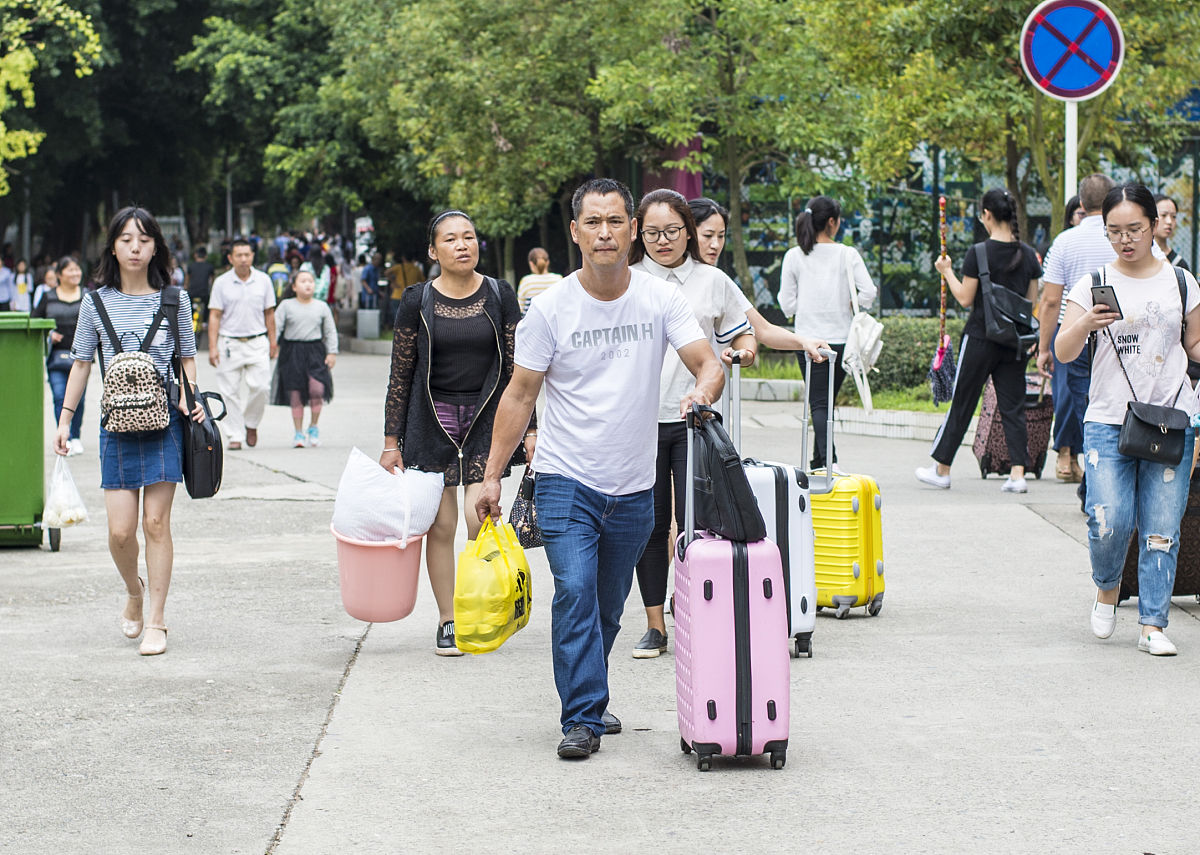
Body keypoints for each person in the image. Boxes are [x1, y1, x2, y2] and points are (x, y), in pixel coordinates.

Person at [475, 178, 724, 760]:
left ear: (632, 230)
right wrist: (490, 476)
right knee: (575, 590)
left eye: (615, 221)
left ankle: (589, 692)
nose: (605, 233)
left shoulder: (660, 299)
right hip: (565, 479)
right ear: (575, 232)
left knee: (608, 606)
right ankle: (582, 716)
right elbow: (519, 394)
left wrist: (702, 392)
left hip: (635, 486)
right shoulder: (550, 308)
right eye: (593, 222)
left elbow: (706, 363)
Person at [627, 189, 828, 658]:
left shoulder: (712, 280)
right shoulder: (627, 278)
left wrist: (746, 351)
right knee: (650, 524)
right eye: (653, 233)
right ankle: (655, 624)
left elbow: (745, 332)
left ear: (686, 232)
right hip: (638, 421)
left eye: (672, 231)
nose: (663, 240)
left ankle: (694, 611)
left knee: (698, 522)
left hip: (695, 418)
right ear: (639, 233)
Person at [51, 207, 205, 656]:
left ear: (156, 247)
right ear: (113, 247)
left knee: (156, 523)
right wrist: (65, 420)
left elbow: (187, 357)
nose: (135, 248)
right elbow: (81, 363)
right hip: (115, 425)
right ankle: (134, 592)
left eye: (144, 240)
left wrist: (189, 395)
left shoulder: (175, 300)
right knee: (120, 532)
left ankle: (157, 619)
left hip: (165, 422)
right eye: (126, 240)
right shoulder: (94, 303)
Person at [1054, 183, 1200, 657]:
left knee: (1162, 527)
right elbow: (1063, 350)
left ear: (1155, 225)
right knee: (1108, 521)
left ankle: (1153, 625)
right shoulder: (1093, 282)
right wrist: (1085, 324)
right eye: (1114, 231)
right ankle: (1107, 588)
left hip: (1172, 419)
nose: (1125, 240)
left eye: (1134, 229)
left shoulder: (1181, 281)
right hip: (1108, 419)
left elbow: (1194, 345)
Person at [382, 210, 531, 656]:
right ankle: (449, 620)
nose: (462, 245)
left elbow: (519, 369)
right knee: (441, 524)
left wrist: (530, 428)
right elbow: (401, 373)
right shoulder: (417, 300)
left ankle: (476, 609)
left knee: (477, 516)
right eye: (450, 239)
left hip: (486, 418)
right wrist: (391, 441)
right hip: (432, 421)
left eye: (469, 237)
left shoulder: (500, 294)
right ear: (433, 251)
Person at [915, 189, 1043, 492]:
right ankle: (1018, 475)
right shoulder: (1028, 254)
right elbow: (1031, 303)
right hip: (1014, 342)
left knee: (963, 401)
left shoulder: (979, 252)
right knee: (1013, 406)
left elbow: (964, 298)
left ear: (987, 214)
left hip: (980, 339)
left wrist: (946, 271)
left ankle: (942, 469)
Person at [777, 195, 878, 471]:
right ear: (832, 222)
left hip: (806, 341)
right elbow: (869, 293)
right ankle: (822, 462)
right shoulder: (847, 254)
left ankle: (827, 464)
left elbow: (786, 304)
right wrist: (852, 304)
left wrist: (805, 306)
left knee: (819, 403)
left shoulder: (794, 256)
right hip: (841, 341)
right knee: (823, 403)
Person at [1036, 174, 1117, 485]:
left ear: (1082, 203)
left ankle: (1084, 468)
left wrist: (1044, 347)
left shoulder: (1065, 241)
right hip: (1117, 333)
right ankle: (1098, 471)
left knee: (1074, 400)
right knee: (1113, 404)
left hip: (1073, 332)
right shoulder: (1122, 238)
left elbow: (1050, 300)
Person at [208, 237, 278, 450]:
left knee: (262, 387)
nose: (244, 259)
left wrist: (273, 341)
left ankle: (251, 423)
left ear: (252, 256)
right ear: (231, 258)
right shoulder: (221, 283)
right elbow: (215, 315)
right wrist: (212, 346)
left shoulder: (264, 280)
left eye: (247, 255)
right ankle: (235, 435)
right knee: (229, 392)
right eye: (239, 255)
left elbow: (269, 313)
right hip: (229, 343)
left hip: (257, 341)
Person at [272, 269, 337, 447]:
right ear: (294, 287)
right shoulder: (286, 305)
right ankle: (298, 433)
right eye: (303, 281)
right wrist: (272, 347)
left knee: (317, 390)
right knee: (295, 393)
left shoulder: (322, 306)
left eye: (310, 281)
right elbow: (276, 328)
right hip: (292, 351)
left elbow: (330, 331)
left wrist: (332, 352)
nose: (308, 284)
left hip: (315, 351)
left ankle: (313, 427)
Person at [32, 256, 87, 454]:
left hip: (81, 357)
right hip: (55, 356)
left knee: (79, 398)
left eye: (77, 269)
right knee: (58, 396)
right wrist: (49, 334)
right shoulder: (48, 297)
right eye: (70, 270)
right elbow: (35, 321)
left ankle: (76, 435)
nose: (75, 273)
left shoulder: (87, 296)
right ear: (59, 275)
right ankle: (65, 436)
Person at [516, 248, 562, 313]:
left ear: (531, 264)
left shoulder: (526, 282)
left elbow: (520, 308)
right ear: (548, 262)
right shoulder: (558, 279)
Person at [1153, 194, 1190, 272]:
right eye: (1164, 215)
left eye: (1173, 216)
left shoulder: (1179, 263)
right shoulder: (1138, 256)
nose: (1169, 221)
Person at [185, 246, 215, 327]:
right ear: (206, 256)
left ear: (195, 255)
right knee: (207, 305)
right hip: (204, 293)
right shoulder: (209, 266)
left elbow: (187, 280)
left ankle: (189, 321)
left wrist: (186, 287)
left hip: (192, 293)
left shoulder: (191, 266)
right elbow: (212, 280)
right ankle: (205, 322)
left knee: (189, 305)